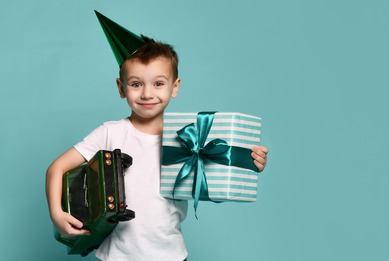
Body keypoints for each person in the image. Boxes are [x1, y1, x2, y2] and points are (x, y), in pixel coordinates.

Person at [46, 11, 268, 261]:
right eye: (136, 84)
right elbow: (57, 168)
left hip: (171, 255)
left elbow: (216, 186)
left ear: (175, 87)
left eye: (158, 83)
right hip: (117, 256)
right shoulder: (110, 132)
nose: (147, 94)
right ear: (122, 88)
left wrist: (249, 162)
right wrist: (56, 213)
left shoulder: (190, 139)